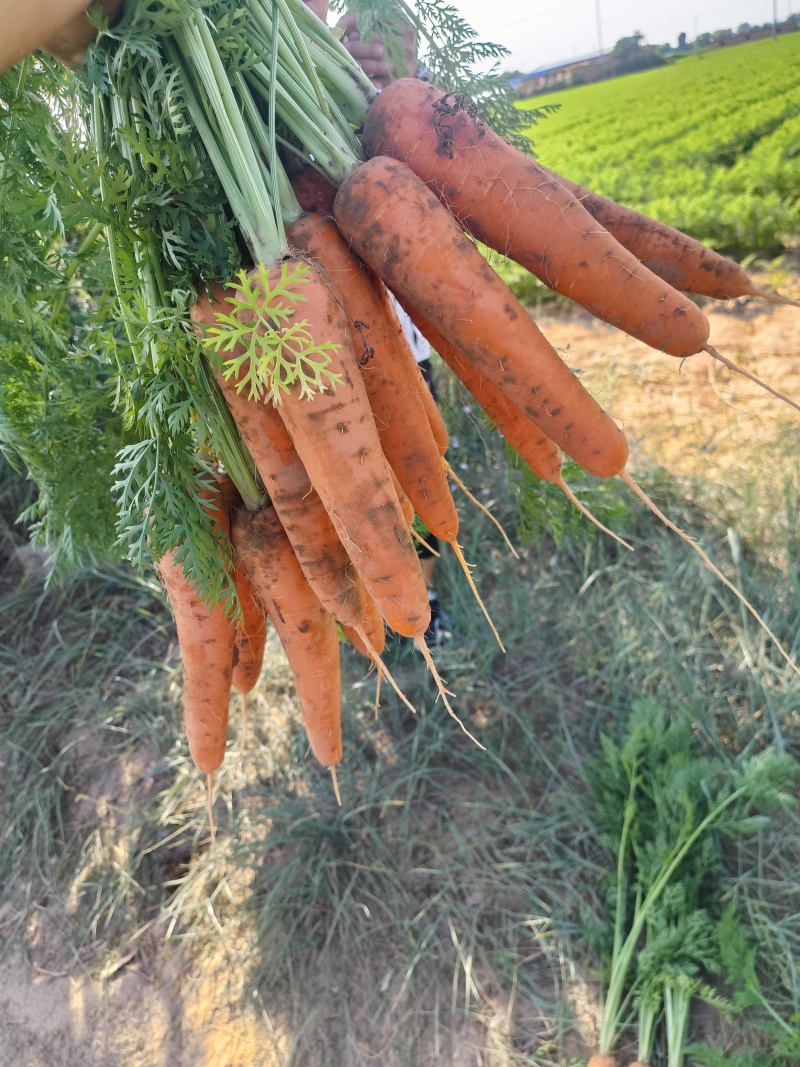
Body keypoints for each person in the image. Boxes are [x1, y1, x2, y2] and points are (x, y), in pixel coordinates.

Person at [2, 0, 450, 645]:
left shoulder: (325, 49)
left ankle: (416, 603)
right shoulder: (170, 75)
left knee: (411, 469)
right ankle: (370, 615)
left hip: (380, 333)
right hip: (249, 352)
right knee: (318, 503)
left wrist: (377, 80)